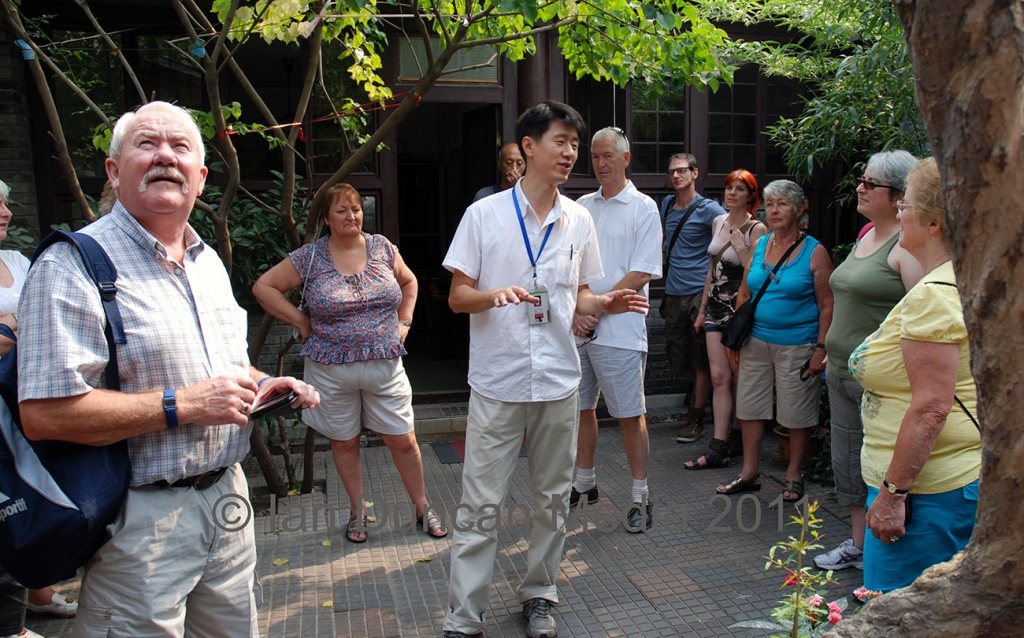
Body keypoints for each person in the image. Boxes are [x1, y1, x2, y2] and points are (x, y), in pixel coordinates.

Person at [16, 101, 321, 637]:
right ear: (114, 171)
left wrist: (264, 384)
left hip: (228, 500)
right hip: (140, 520)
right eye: (146, 144)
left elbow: (222, 368)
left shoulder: (207, 264)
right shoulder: (73, 264)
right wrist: (186, 405)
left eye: (180, 147)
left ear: (201, 178)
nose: (165, 156)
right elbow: (45, 413)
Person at [441, 101, 648, 638]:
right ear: (528, 146)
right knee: (480, 502)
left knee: (553, 498)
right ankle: (465, 616)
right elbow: (457, 297)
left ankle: (540, 593)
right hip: (498, 381)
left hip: (559, 377)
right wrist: (494, 295)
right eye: (560, 140)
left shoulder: (578, 218)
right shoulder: (483, 216)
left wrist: (605, 304)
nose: (570, 152)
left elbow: (578, 295)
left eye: (574, 144)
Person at [253, 182, 447, 544]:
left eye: (356, 208)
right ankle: (358, 513)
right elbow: (264, 287)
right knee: (344, 443)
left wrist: (405, 322)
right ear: (326, 218)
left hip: (384, 364)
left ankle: (423, 507)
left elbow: (409, 282)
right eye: (341, 210)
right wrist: (300, 320)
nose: (351, 216)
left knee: (403, 439)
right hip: (330, 369)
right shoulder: (310, 258)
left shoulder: (382, 248)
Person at [849, 157, 980, 594]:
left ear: (935, 222)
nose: (900, 213)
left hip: (925, 495)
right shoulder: (966, 279)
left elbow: (930, 408)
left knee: (898, 612)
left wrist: (892, 495)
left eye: (906, 205)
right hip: (945, 486)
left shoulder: (935, 296)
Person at [812, 151, 921, 572]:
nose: (860, 187)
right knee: (847, 460)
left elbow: (921, 315)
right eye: (862, 180)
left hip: (877, 382)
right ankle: (859, 546)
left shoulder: (905, 248)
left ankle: (884, 554)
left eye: (870, 183)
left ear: (897, 196)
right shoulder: (865, 234)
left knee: (878, 464)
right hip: (840, 372)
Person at [570, 126, 662, 532]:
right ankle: (584, 481)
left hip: (621, 328)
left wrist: (599, 308)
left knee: (629, 413)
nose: (600, 163)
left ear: (627, 158)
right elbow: (568, 265)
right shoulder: (580, 206)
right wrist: (581, 307)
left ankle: (642, 494)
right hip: (580, 326)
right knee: (580, 408)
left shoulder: (643, 207)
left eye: (608, 156)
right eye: (595, 157)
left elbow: (642, 270)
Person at [719, 180, 833, 502]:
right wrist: (734, 340)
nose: (775, 210)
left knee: (796, 413)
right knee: (750, 408)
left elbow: (827, 305)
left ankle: (794, 474)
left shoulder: (815, 251)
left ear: (800, 209)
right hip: (755, 340)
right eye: (770, 204)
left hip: (798, 344)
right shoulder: (760, 245)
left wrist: (821, 349)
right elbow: (745, 292)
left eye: (782, 204)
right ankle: (749, 472)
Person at [684, 169, 766, 470]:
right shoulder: (718, 221)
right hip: (716, 309)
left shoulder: (756, 228)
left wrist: (741, 245)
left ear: (750, 195)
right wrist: (703, 309)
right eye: (729, 188)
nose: (731, 193)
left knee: (738, 379)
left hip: (739, 310)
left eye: (739, 189)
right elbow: (711, 270)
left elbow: (753, 271)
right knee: (719, 377)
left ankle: (736, 438)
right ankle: (718, 445)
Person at [0, 180, 45, 638]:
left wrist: (8, 327)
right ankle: (10, 626)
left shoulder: (17, 261)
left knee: (23, 497)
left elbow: (42, 323)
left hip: (17, 397)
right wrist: (16, 325)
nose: (5, 212)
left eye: (7, 202)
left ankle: (40, 595)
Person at [660, 153, 726, 444]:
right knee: (678, 353)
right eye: (672, 171)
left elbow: (728, 234)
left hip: (700, 291)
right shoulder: (666, 205)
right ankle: (699, 395)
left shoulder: (709, 209)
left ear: (695, 173)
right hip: (673, 290)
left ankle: (697, 415)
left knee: (701, 357)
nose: (676, 176)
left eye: (682, 171)